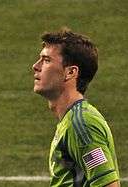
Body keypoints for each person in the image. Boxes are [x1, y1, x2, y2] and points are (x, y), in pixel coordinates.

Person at [32, 28, 120, 187]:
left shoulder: (82, 125)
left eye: (46, 60)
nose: (35, 66)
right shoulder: (72, 120)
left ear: (71, 72)